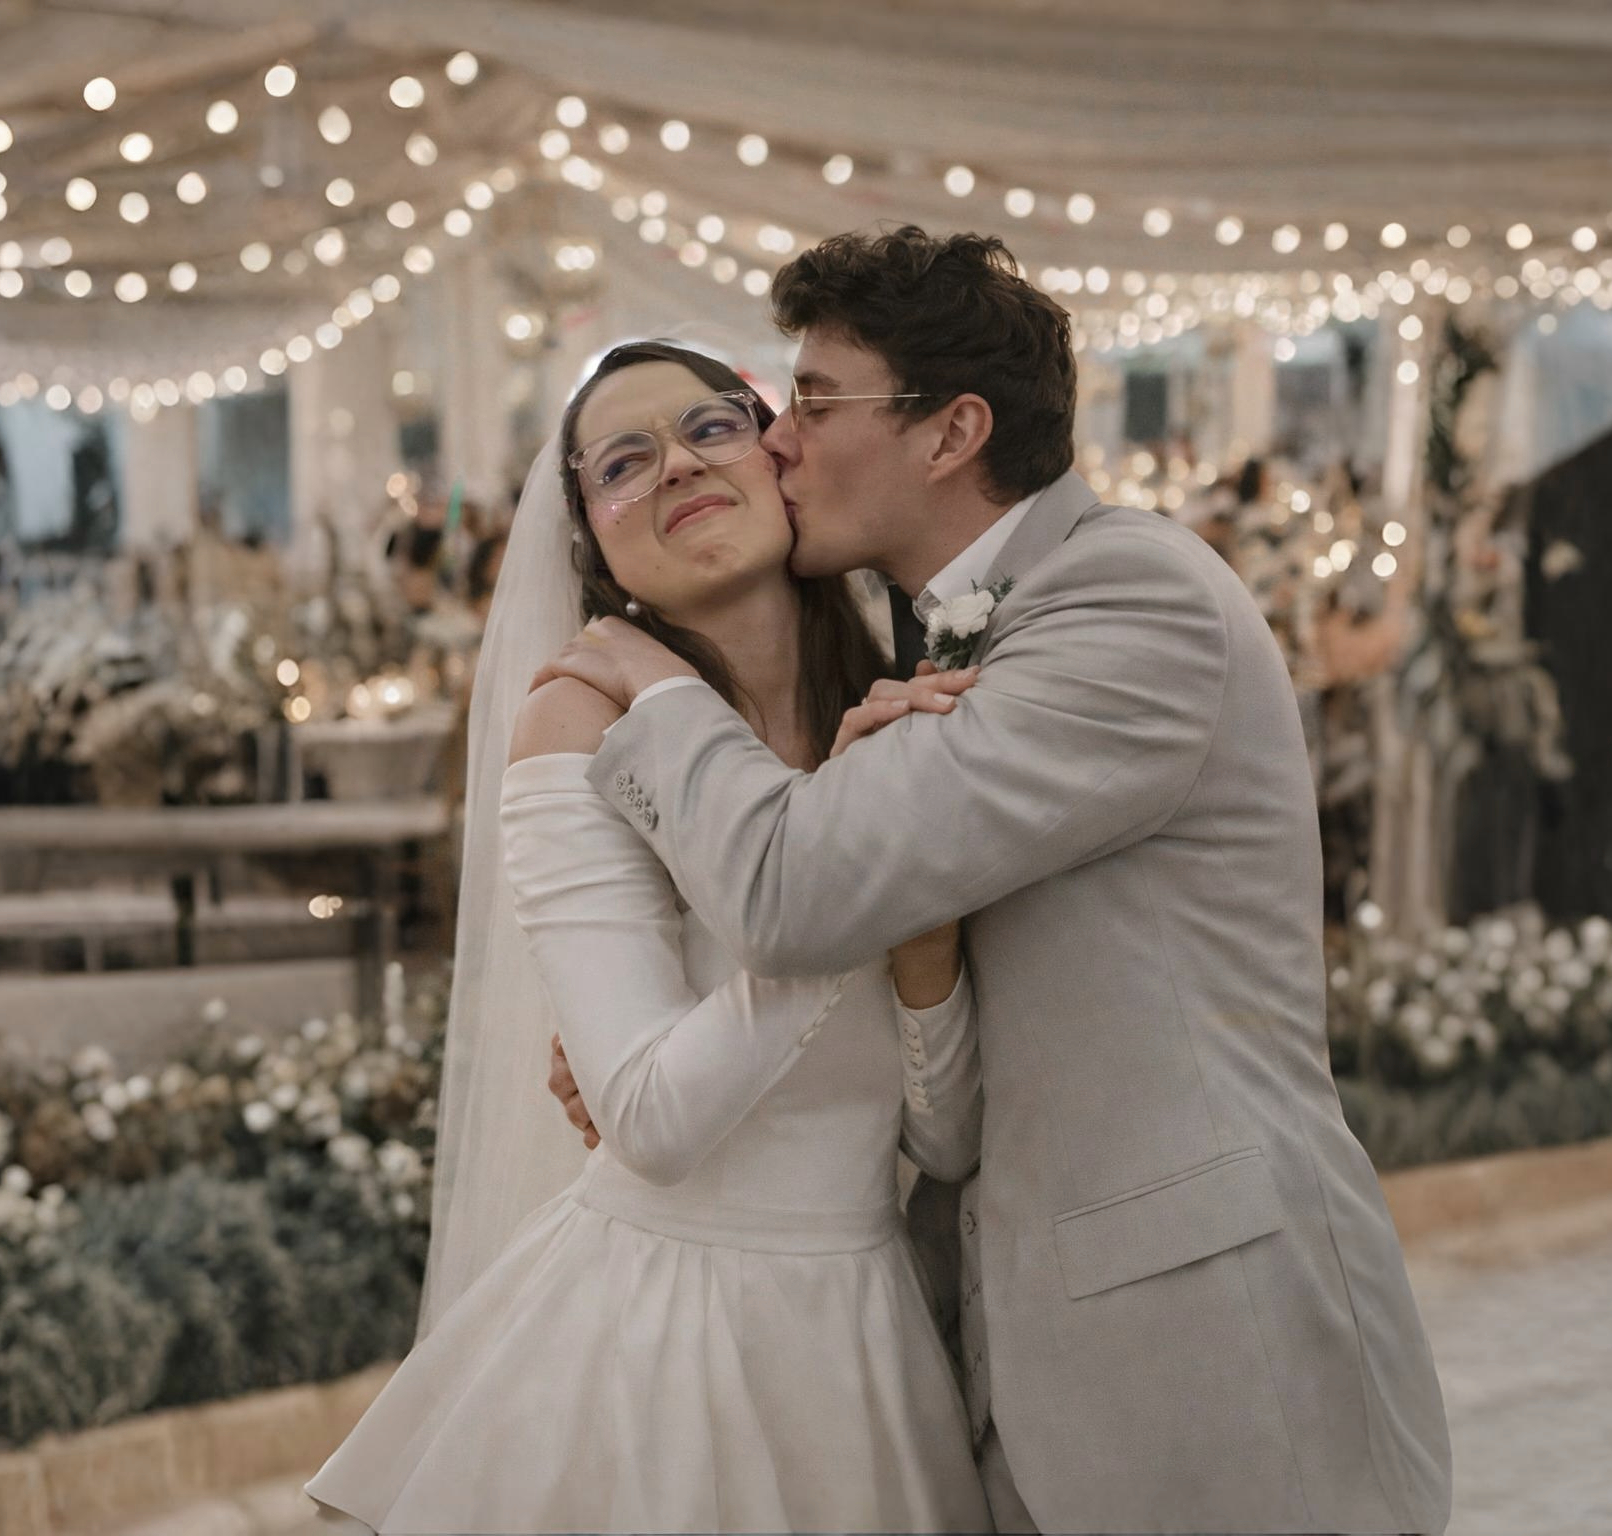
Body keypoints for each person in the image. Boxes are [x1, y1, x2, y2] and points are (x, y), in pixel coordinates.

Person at [537, 228, 1454, 1534]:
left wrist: (652, 678)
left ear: (951, 431)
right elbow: (924, 1020)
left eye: (810, 400)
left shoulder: (1128, 601)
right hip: (1007, 1360)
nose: (775, 441)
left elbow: (801, 890)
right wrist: (654, 1012)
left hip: (1207, 1348)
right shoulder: (934, 646)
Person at [303, 341, 994, 1533]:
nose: (676, 465)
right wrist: (848, 866)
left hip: (864, 1330)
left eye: (710, 428)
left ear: (775, 454)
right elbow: (651, 1120)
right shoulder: (578, 721)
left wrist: (922, 947)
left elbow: (943, 1132)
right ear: (592, 536)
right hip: (669, 1335)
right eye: (624, 462)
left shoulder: (892, 705)